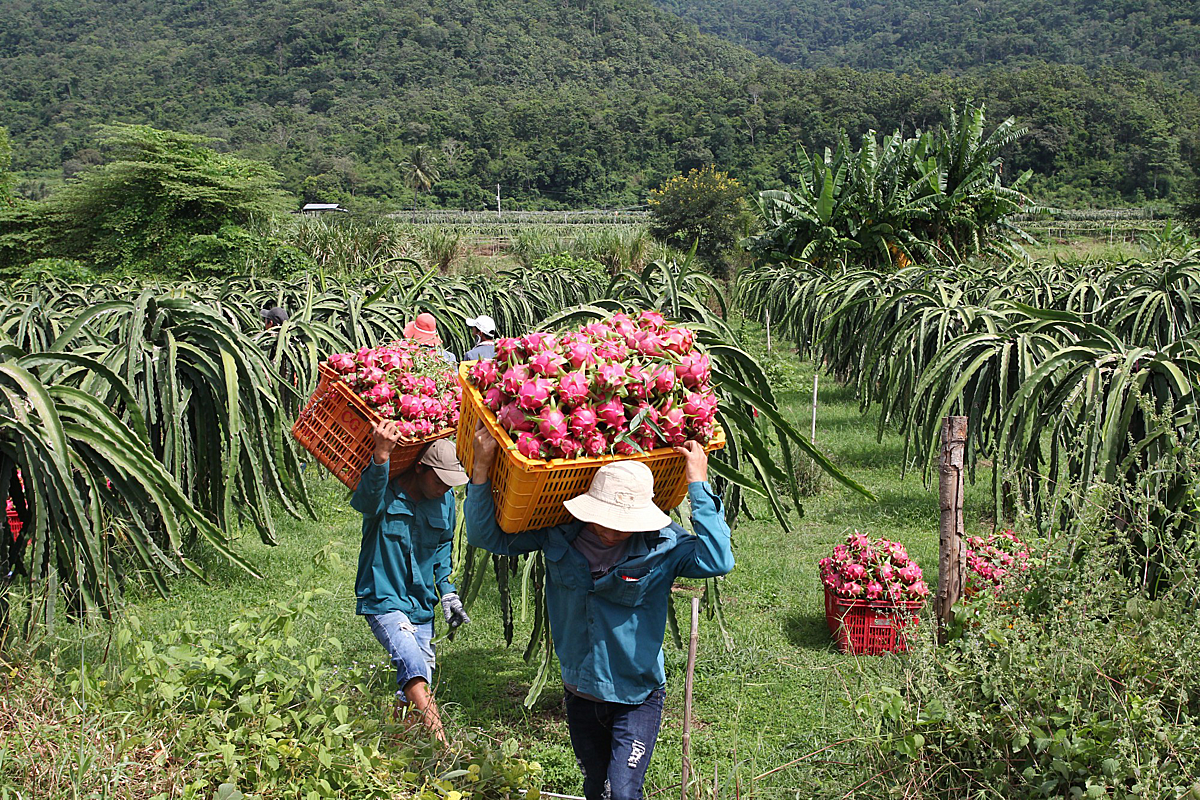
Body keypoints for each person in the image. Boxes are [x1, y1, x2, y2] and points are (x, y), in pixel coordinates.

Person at [465, 421, 734, 800]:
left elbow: (718, 560)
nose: (611, 530)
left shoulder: (664, 545)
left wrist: (698, 484)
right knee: (595, 788)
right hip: (581, 691)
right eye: (605, 518)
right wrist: (480, 467)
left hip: (637, 696)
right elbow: (485, 536)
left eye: (623, 522)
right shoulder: (558, 532)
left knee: (622, 793)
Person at [352, 425, 472, 743]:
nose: (445, 488)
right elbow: (364, 502)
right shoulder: (387, 489)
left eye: (450, 483)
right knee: (413, 666)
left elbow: (444, 547)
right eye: (439, 480)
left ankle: (396, 748)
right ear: (421, 467)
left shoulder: (445, 502)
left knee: (414, 687)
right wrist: (381, 455)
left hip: (420, 605)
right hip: (383, 595)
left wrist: (447, 591)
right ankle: (445, 747)